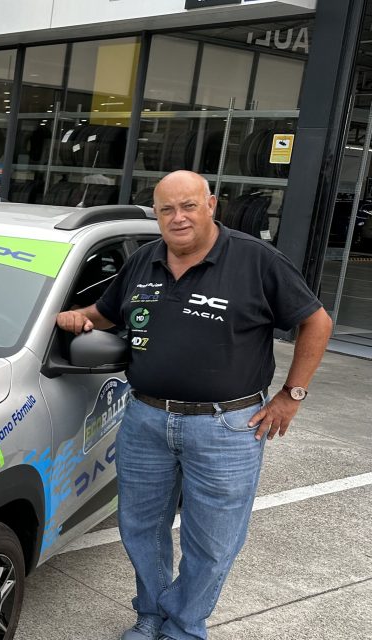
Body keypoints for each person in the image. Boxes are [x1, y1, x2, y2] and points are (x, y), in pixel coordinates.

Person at [55, 170, 331, 640]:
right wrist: (77, 318)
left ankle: (184, 626)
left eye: (188, 206)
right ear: (157, 213)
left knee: (214, 540)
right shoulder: (143, 261)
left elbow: (316, 321)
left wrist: (292, 394)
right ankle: (153, 614)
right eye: (167, 209)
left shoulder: (255, 260)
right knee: (140, 527)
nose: (178, 218)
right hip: (145, 418)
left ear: (211, 205)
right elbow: (106, 312)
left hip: (227, 426)